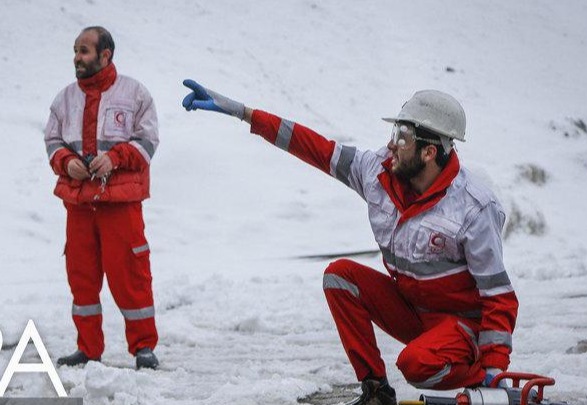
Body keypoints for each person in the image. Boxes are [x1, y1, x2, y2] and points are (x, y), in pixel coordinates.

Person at [181, 80, 519, 404]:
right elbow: (315, 147)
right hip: (413, 311)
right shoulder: (377, 172)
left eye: (403, 137)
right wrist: (245, 113)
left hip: (460, 326)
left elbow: (498, 297)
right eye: (394, 133)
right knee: (339, 275)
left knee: (416, 365)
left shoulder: (473, 207)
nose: (391, 145)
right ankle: (375, 392)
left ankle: (475, 373)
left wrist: (493, 371)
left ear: (430, 151)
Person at [44, 26, 160, 370]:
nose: (77, 58)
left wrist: (116, 157)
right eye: (76, 50)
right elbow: (52, 141)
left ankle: (143, 348)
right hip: (80, 205)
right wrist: (66, 162)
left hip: (120, 206)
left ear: (105, 55)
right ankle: (88, 348)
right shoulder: (64, 98)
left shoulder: (135, 94)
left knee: (131, 276)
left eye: (84, 51)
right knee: (81, 277)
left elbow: (148, 141)